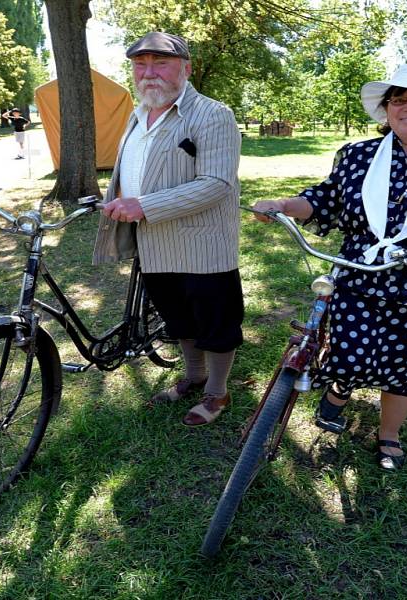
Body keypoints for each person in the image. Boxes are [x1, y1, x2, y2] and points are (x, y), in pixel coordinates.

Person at [253, 63, 407, 470]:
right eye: (399, 99)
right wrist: (282, 206)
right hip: (357, 275)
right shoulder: (357, 155)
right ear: (386, 109)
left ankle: (388, 434)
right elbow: (324, 200)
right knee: (349, 353)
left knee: (406, 363)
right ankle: (339, 390)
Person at [93, 32, 243, 426]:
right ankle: (194, 376)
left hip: (203, 245)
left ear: (186, 68)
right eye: (141, 65)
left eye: (161, 63)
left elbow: (216, 184)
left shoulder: (213, 114)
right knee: (179, 321)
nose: (149, 73)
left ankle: (217, 393)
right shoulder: (137, 113)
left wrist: (142, 205)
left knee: (216, 325)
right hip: (154, 243)